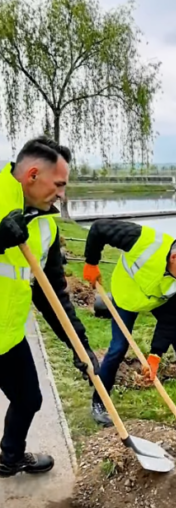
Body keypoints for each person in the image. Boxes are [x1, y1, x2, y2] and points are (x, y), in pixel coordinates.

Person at [0, 136, 100, 477]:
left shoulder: (46, 223)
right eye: (58, 185)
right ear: (31, 174)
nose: (62, 194)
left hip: (6, 336)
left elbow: (51, 292)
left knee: (29, 398)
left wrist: (79, 343)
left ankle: (9, 457)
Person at [82, 220, 176, 426]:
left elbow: (172, 319)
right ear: (174, 256)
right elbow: (99, 229)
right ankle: (99, 403)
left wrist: (155, 354)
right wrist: (91, 262)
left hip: (159, 301)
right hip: (127, 297)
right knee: (118, 348)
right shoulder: (144, 240)